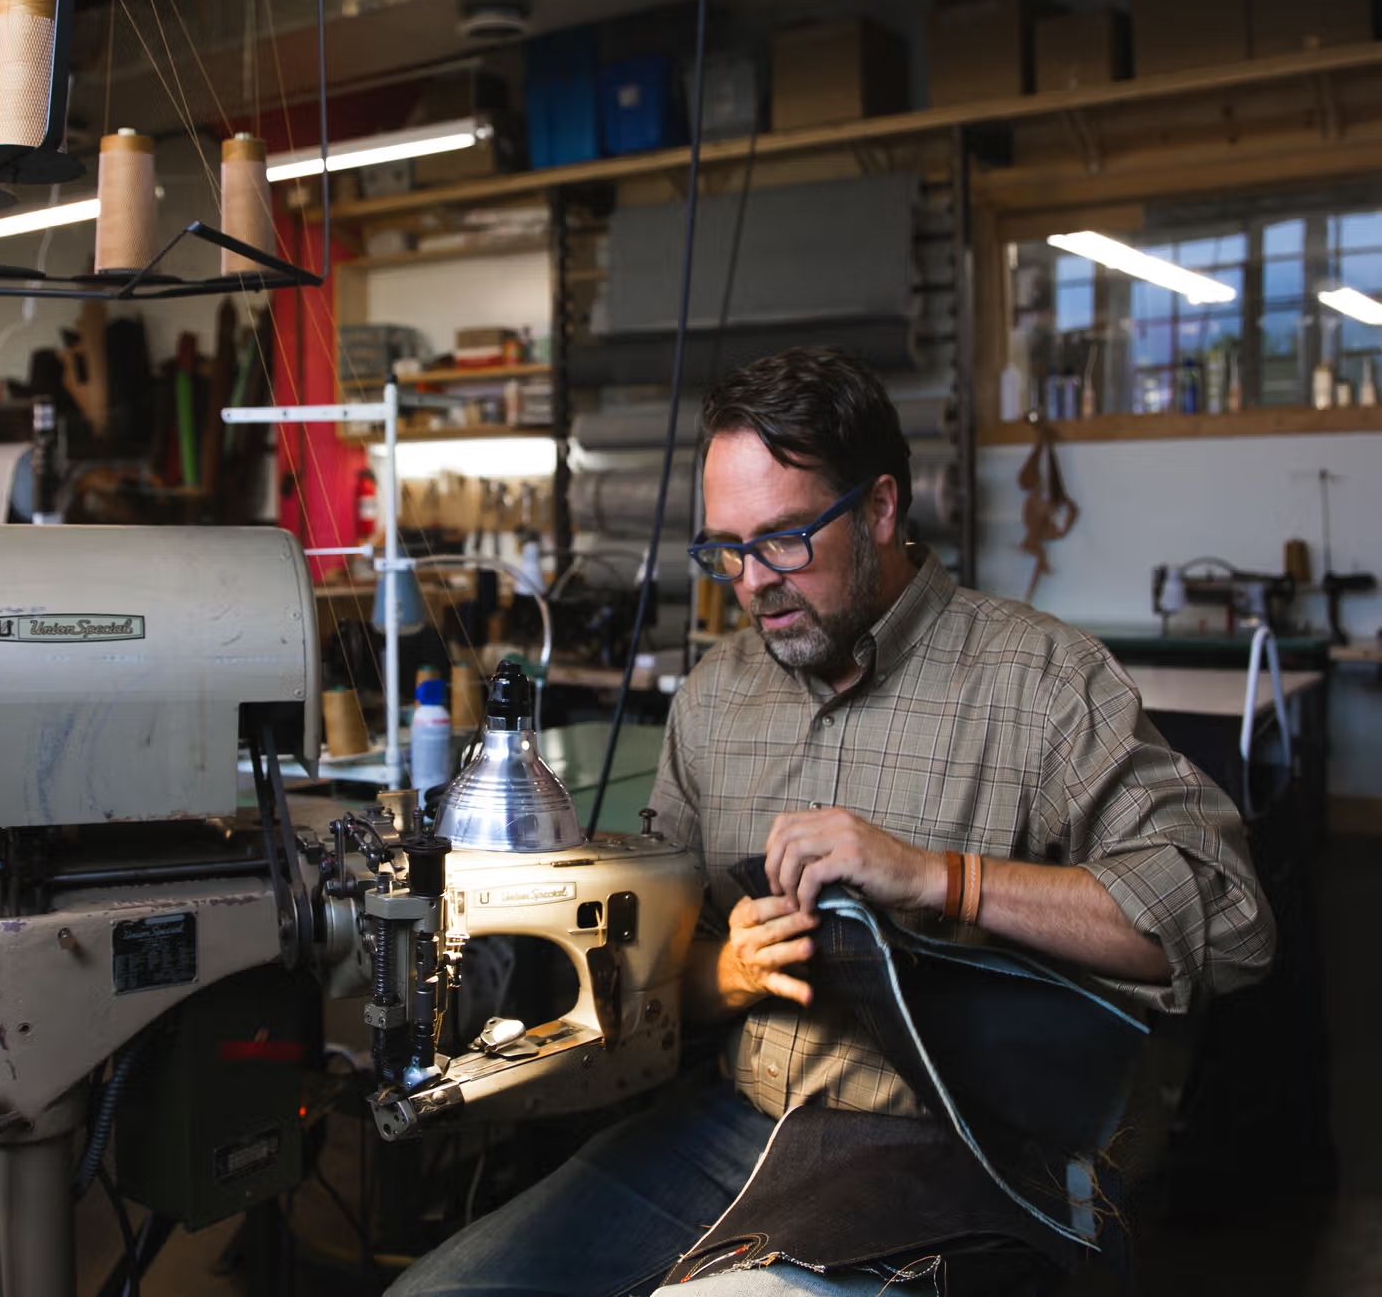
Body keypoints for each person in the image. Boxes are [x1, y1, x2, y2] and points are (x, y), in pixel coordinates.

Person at [390, 347, 1272, 1297]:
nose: (750, 581)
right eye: (726, 549)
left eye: (782, 540)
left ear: (881, 509)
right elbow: (652, 978)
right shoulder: (717, 698)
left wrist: (940, 877)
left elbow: (1228, 921)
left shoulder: (1041, 681)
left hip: (948, 1152)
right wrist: (727, 972)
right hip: (733, 1129)